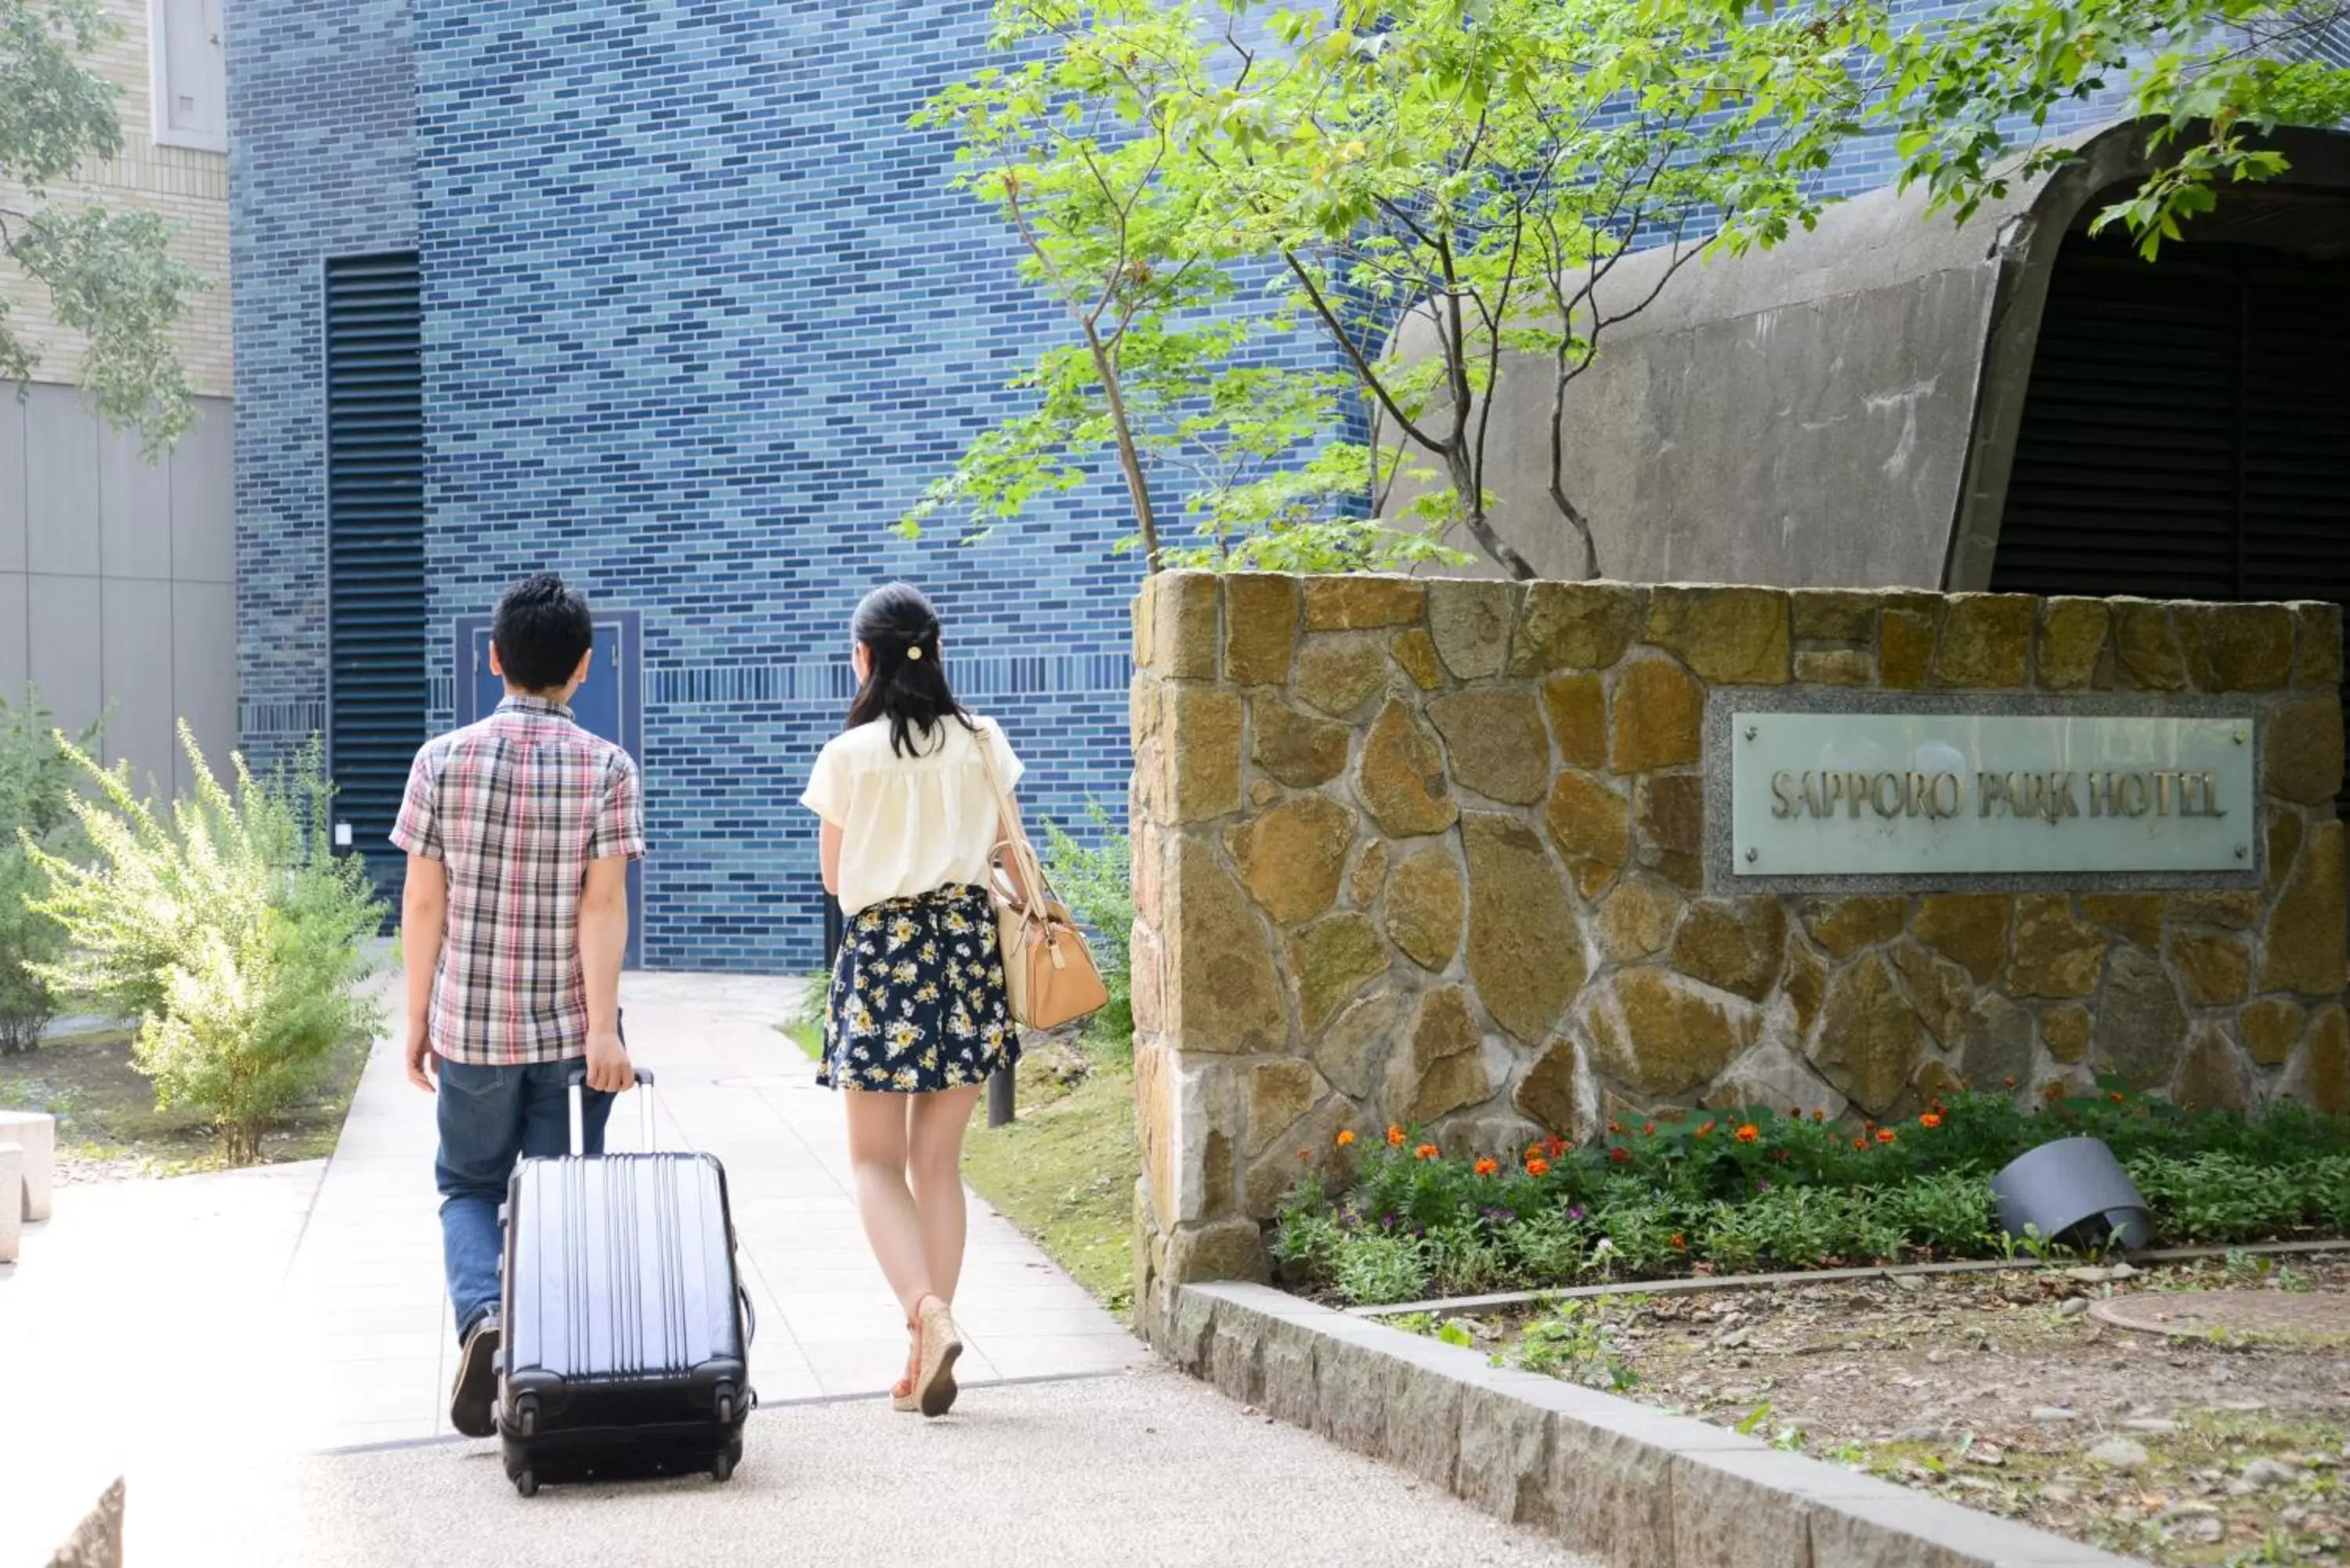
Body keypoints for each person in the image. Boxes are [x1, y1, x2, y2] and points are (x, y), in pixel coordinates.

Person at [392, 573, 646, 1438]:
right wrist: (606, 1028)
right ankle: (548, 1369)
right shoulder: (609, 767)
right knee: (559, 1200)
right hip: (574, 1035)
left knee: (468, 1185)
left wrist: (417, 1015)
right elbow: (602, 905)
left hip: (471, 1024)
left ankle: (483, 1320)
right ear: (582, 667)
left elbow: (424, 903)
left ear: (494, 658)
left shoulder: (440, 760)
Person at [799, 582, 1026, 1418]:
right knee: (938, 1163)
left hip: (886, 953)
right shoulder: (984, 741)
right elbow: (1006, 847)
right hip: (966, 951)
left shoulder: (848, 754)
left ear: (863, 657)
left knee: (871, 1159)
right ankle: (928, 1343)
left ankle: (925, 1314)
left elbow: (835, 879)